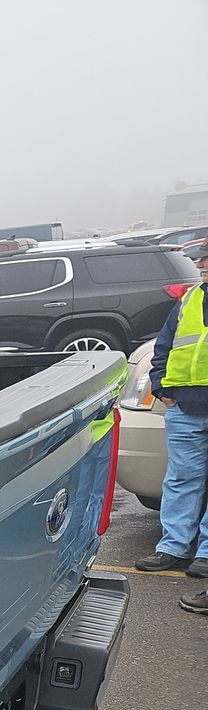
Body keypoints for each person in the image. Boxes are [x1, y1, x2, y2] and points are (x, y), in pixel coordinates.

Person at [138, 247, 208, 609]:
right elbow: (164, 346)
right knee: (181, 478)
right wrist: (162, 388)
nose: (201, 265)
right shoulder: (190, 300)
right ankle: (174, 547)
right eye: (202, 260)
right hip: (185, 406)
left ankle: (205, 555)